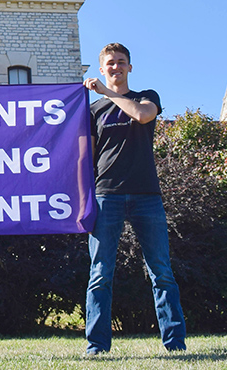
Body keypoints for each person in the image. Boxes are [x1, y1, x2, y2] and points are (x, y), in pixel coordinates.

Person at [82, 43, 186, 355]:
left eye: (121, 62)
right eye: (110, 63)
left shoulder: (147, 97)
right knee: (100, 273)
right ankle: (97, 346)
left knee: (161, 271)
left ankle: (175, 343)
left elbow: (142, 116)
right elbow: (86, 157)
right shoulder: (93, 111)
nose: (116, 67)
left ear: (130, 67)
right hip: (106, 196)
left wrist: (107, 92)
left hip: (146, 196)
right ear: (102, 68)